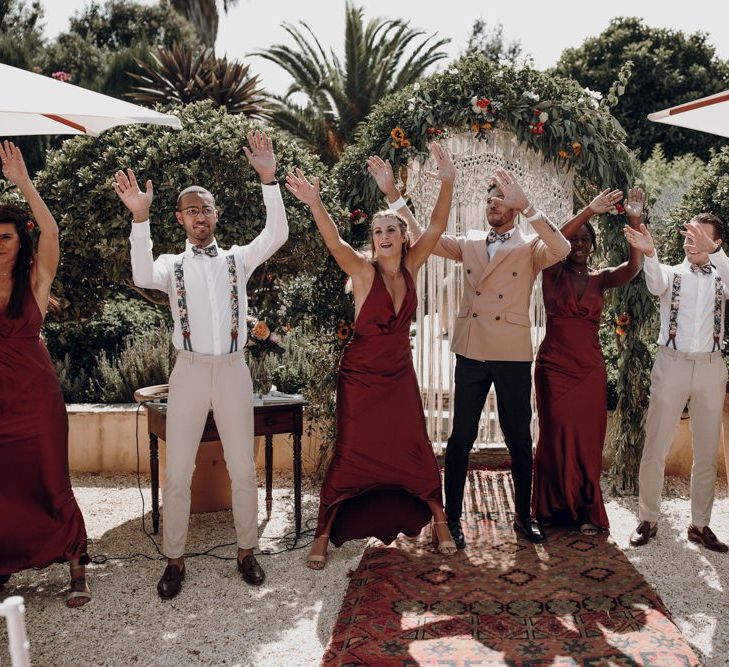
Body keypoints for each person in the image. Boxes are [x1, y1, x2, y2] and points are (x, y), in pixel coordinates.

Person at [114, 131, 289, 598]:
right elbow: (139, 272)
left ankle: (247, 552)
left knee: (242, 467)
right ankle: (174, 559)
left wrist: (268, 179)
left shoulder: (237, 259)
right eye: (191, 210)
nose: (199, 216)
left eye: (205, 208)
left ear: (215, 214)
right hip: (188, 371)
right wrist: (140, 220)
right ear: (180, 218)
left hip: (233, 369)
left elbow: (277, 234)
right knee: (177, 470)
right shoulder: (170, 265)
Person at [284, 143, 456, 570]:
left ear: (401, 237)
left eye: (390, 231)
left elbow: (435, 224)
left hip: (398, 375)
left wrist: (448, 181)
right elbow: (334, 241)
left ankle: (440, 521)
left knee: (415, 445)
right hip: (360, 378)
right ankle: (323, 533)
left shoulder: (414, 266)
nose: (382, 238)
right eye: (377, 232)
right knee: (351, 452)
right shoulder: (362, 272)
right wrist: (315, 202)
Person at [399, 168, 571, 547]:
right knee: (460, 436)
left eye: (501, 198)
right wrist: (397, 200)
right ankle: (452, 520)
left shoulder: (530, 246)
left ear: (514, 205)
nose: (493, 204)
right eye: (489, 199)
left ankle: (524, 519)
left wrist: (527, 206)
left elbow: (562, 249)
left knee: (518, 439)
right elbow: (426, 238)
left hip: (511, 353)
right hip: (472, 349)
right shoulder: (471, 241)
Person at [0, 141, 91, 607]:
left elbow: (53, 231)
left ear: (21, 242)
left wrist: (23, 182)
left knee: (51, 479)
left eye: (6, 237)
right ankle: (6, 562)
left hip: (35, 400)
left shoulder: (36, 279)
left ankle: (76, 563)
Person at [532, 188, 644, 535]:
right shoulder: (551, 270)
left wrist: (635, 219)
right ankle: (550, 508)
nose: (579, 245)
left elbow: (634, 266)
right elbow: (556, 236)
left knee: (587, 439)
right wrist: (589, 211)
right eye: (575, 239)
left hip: (589, 371)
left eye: (586, 241)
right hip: (553, 368)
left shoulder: (601, 277)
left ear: (593, 246)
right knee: (554, 435)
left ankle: (584, 510)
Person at [626, 214, 729, 553]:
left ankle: (700, 525)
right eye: (687, 233)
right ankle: (648, 518)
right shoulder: (672, 272)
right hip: (671, 364)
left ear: (716, 243)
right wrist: (651, 252)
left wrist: (715, 253)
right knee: (656, 442)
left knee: (706, 449)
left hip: (712, 367)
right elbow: (655, 284)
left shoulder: (722, 276)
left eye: (698, 235)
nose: (690, 239)